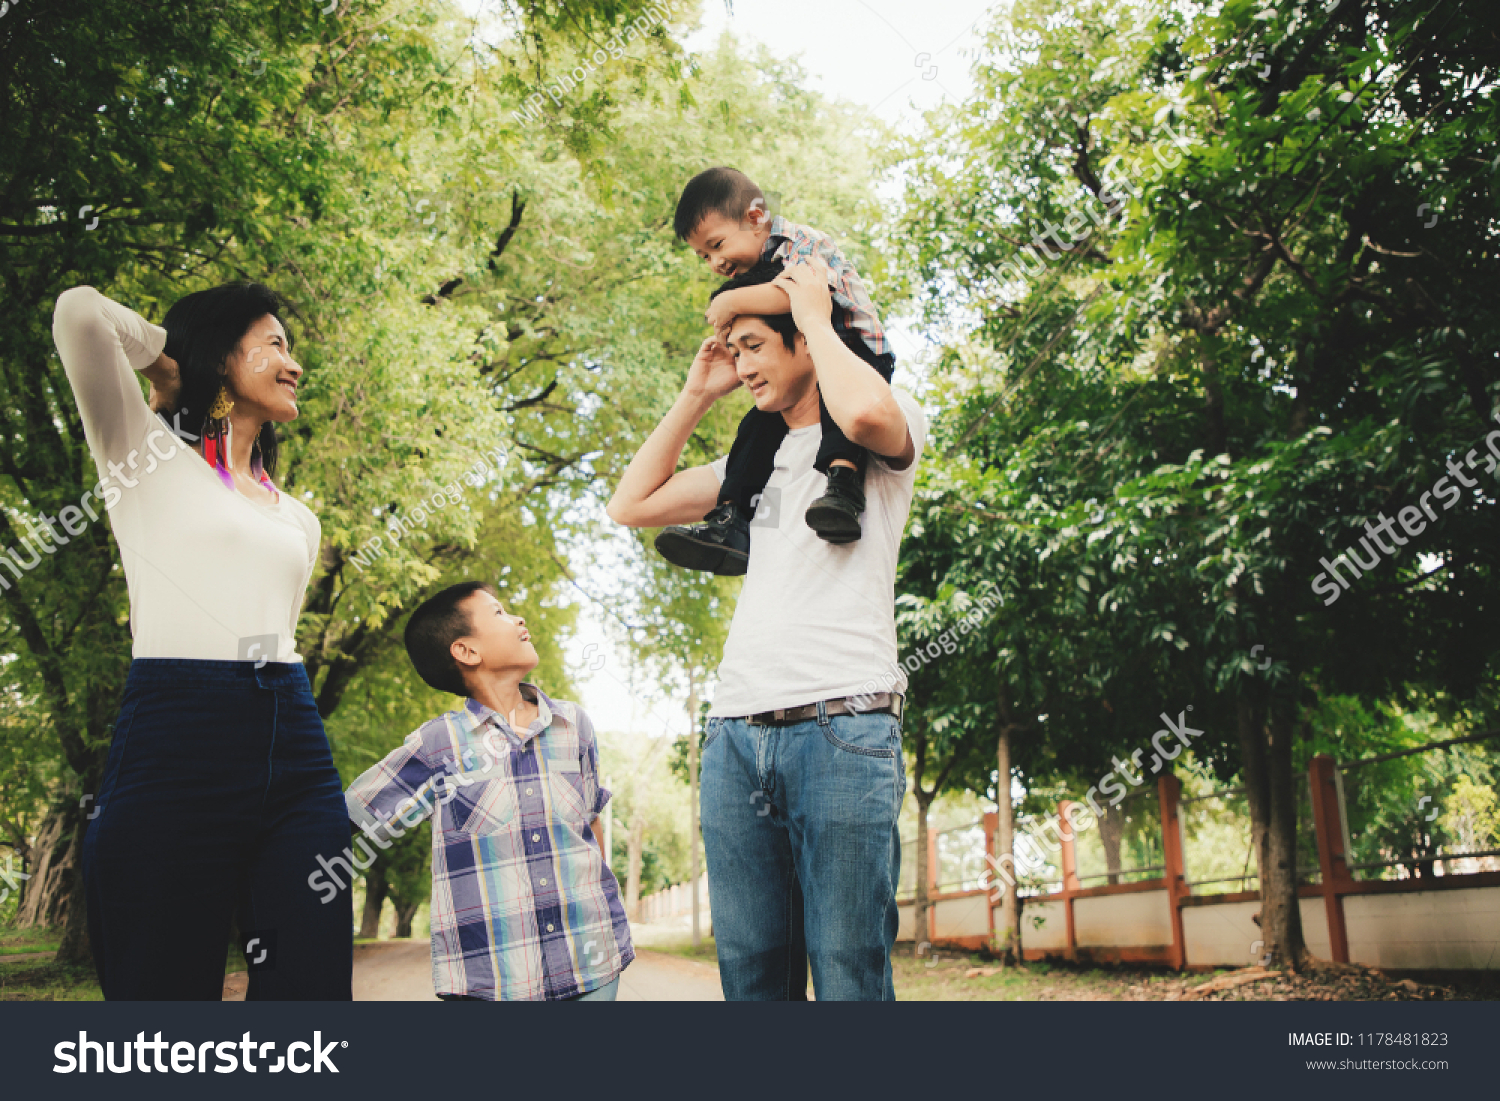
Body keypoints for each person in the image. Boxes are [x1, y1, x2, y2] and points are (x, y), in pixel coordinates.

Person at [606, 255, 927, 1000]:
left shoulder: (879, 428)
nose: (741, 363)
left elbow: (873, 415)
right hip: (735, 741)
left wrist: (815, 312)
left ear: (805, 344)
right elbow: (631, 502)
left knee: (850, 974)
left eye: (754, 345)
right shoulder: (752, 465)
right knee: (751, 978)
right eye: (735, 349)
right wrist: (694, 394)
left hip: (844, 726)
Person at [54, 283, 351, 999]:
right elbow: (79, 312)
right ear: (221, 355)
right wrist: (169, 366)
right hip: (175, 730)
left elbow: (269, 624)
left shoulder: (299, 520)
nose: (295, 363)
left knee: (309, 986)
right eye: (275, 343)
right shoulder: (142, 453)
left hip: (293, 739)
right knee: (163, 984)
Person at [343, 582, 632, 1001]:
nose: (518, 618)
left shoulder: (574, 725)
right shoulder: (438, 745)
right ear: (466, 651)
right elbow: (349, 814)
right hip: (494, 980)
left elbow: (590, 822)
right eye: (498, 613)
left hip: (592, 963)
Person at [654, 165, 897, 574]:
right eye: (704, 256)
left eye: (716, 245)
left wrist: (731, 303)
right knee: (758, 423)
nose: (714, 262)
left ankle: (843, 486)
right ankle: (732, 520)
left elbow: (806, 296)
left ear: (754, 218)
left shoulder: (799, 241)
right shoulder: (754, 269)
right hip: (809, 359)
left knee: (837, 408)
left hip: (856, 349)